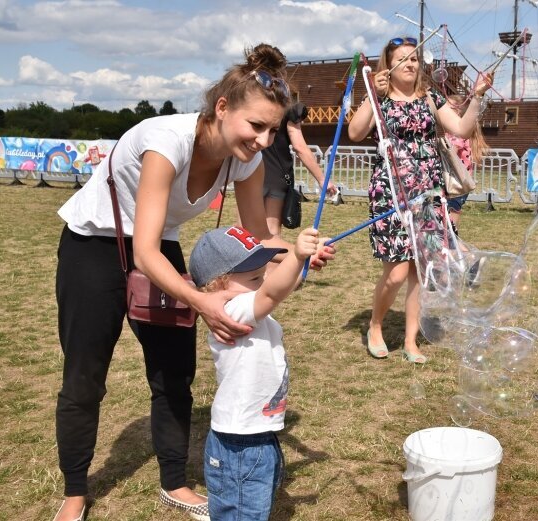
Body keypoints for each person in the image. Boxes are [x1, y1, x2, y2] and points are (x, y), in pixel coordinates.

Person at [52, 44, 334, 521]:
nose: (265, 140)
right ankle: (76, 492)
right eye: (256, 125)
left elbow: (260, 243)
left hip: (156, 244)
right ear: (222, 108)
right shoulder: (168, 140)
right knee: (85, 376)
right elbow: (142, 253)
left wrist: (300, 255)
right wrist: (201, 302)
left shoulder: (245, 160)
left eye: (273, 128)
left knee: (174, 372)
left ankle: (175, 481)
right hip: (94, 244)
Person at [347, 36, 491, 363]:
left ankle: (411, 341)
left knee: (418, 270)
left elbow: (462, 128)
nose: (411, 64)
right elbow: (355, 132)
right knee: (396, 272)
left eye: (415, 58)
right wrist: (374, 93)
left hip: (427, 192)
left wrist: (477, 96)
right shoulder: (379, 97)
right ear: (389, 65)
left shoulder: (430, 97)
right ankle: (376, 324)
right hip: (391, 191)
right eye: (403, 59)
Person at [188, 225, 318, 520]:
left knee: (249, 504)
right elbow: (272, 292)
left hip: (254, 432)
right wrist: (296, 256)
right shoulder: (231, 309)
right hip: (242, 440)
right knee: (245, 509)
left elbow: (277, 285)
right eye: (254, 278)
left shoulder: (243, 301)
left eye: (263, 273)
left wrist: (307, 259)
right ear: (218, 285)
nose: (263, 281)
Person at [262, 101, 337, 238]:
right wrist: (322, 179)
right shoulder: (287, 108)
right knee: (271, 234)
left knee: (244, 233)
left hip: (248, 173)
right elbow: (299, 147)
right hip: (275, 177)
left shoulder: (250, 102)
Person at [445, 94, 489, 229]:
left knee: (452, 212)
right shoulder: (450, 131)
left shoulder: (458, 133)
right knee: (447, 211)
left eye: (448, 107)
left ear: (457, 111)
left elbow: (450, 152)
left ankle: (454, 241)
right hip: (452, 180)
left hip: (458, 182)